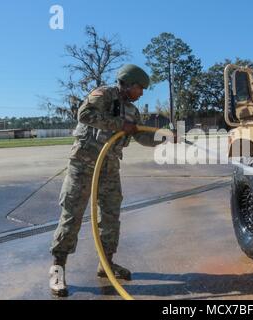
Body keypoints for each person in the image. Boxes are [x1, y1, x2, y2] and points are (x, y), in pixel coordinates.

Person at [49, 64, 175, 297]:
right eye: (140, 88)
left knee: (111, 217)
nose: (142, 93)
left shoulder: (132, 111)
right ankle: (58, 269)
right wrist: (119, 125)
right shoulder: (104, 94)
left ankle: (106, 264)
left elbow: (140, 137)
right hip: (83, 166)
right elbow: (84, 114)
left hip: (109, 169)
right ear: (127, 84)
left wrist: (163, 138)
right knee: (72, 216)